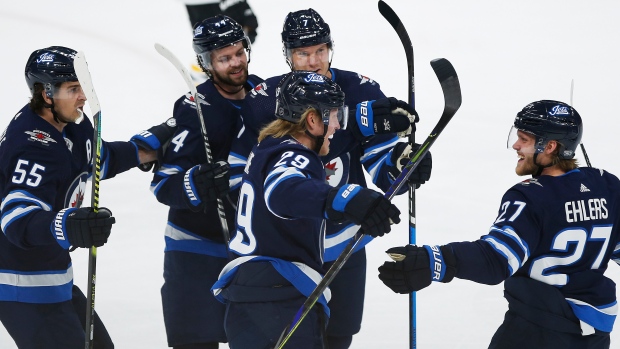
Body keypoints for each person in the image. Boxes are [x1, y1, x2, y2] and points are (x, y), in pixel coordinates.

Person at [227, 8, 432, 349]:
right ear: (287, 55)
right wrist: (358, 118)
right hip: (287, 251)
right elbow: (260, 121)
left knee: (337, 337)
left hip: (344, 243)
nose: (313, 60)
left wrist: (402, 167)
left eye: (320, 50)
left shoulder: (357, 87)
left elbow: (380, 163)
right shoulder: (272, 95)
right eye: (302, 53)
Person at [378, 100, 620, 349]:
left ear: (550, 146)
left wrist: (434, 260)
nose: (515, 145)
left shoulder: (531, 197)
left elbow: (497, 260)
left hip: (535, 334)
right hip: (594, 339)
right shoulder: (608, 187)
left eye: (524, 139)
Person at [212, 70, 402, 349]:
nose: (337, 126)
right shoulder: (296, 154)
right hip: (279, 298)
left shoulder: (268, 147)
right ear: (312, 120)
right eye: (334, 115)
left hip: (246, 296)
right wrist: (347, 198)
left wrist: (354, 210)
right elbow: (282, 191)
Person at [0, 46, 159, 349]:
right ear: (45, 94)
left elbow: (98, 160)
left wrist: (146, 150)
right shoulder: (33, 145)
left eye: (84, 85)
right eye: (73, 88)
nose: (84, 95)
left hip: (52, 274)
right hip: (20, 283)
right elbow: (16, 218)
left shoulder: (72, 123)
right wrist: (67, 224)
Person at [146, 15, 263, 349]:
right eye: (224, 58)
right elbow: (163, 184)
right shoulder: (194, 108)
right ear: (206, 63)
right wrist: (196, 183)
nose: (236, 63)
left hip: (250, 249)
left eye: (239, 53)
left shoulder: (265, 94)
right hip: (194, 249)